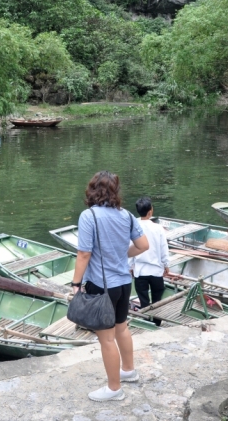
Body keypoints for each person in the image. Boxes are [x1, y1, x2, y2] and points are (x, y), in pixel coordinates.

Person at [72, 171, 150, 402]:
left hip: (102, 286)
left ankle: (114, 389)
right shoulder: (126, 215)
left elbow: (84, 253)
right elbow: (143, 245)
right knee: (122, 328)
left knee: (106, 339)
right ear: (116, 191)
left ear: (92, 189)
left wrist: (76, 283)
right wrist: (121, 254)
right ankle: (129, 370)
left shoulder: (89, 216)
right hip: (125, 283)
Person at [130, 197, 169, 325]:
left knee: (144, 300)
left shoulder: (134, 227)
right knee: (157, 299)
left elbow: (130, 249)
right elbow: (164, 249)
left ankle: (147, 322)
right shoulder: (158, 229)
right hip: (156, 270)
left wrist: (130, 266)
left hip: (140, 271)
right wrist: (166, 265)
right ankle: (157, 322)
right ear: (150, 211)